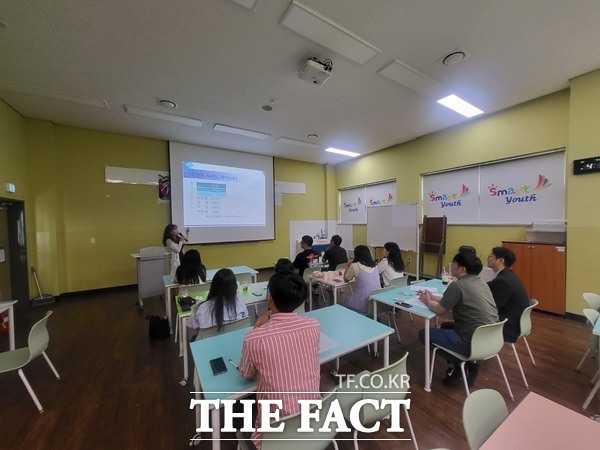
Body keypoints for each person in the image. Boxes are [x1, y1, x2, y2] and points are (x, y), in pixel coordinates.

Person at [239, 271, 321, 449]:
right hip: (313, 421)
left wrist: (256, 327)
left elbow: (246, 374)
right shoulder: (313, 325)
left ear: (270, 298)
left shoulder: (254, 337)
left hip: (275, 433)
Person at [417, 252, 498, 387]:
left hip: (470, 342)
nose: (451, 265)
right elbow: (453, 300)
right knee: (445, 326)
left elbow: (439, 311)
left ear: (462, 269)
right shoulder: (480, 282)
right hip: (491, 338)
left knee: (423, 333)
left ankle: (462, 363)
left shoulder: (457, 286)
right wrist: (433, 297)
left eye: (454, 263)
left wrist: (426, 301)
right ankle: (461, 363)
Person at [188, 268, 248, 341]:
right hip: (234, 341)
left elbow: (194, 332)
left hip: (208, 347)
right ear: (235, 286)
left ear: (214, 286)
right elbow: (245, 322)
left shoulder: (201, 308)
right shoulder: (240, 303)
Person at [486, 247, 530, 341]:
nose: (488, 258)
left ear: (500, 261)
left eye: (491, 256)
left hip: (508, 327)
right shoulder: (508, 275)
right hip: (517, 322)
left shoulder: (502, 281)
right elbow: (490, 285)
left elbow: (492, 306)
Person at [343, 245, 381, 314]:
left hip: (362, 303)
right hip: (377, 303)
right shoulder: (375, 265)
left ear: (356, 255)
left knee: (344, 302)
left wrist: (347, 264)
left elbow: (346, 279)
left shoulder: (355, 265)